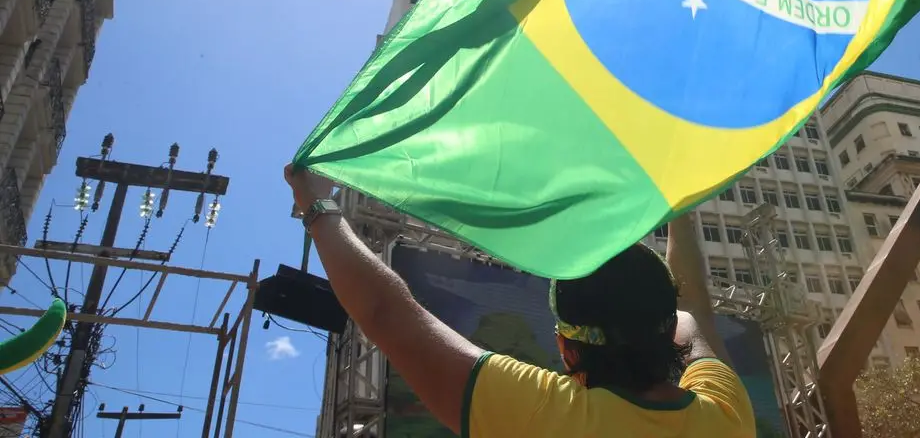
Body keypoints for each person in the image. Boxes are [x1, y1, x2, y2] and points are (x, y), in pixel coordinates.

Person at [284, 164, 756, 437]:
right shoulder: (726, 414)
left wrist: (315, 200)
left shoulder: (547, 418)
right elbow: (692, 315)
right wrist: (680, 204)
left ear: (566, 348)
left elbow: (387, 313)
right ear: (664, 331)